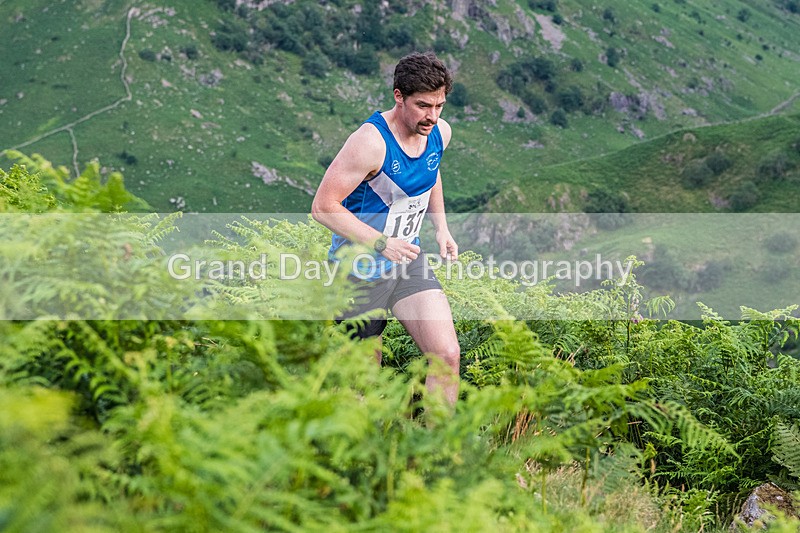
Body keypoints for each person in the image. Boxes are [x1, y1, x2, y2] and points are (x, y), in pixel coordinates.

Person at [311, 51, 460, 406]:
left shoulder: (439, 132)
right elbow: (322, 207)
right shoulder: (370, 142)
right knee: (361, 380)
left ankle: (437, 454)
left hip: (406, 259)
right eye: (423, 105)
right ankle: (351, 454)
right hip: (359, 270)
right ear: (398, 96)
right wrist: (380, 243)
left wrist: (441, 226)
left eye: (439, 105)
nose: (432, 116)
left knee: (447, 354)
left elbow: (430, 172)